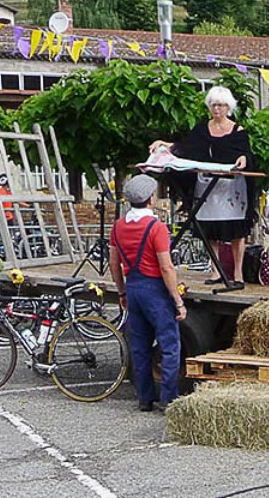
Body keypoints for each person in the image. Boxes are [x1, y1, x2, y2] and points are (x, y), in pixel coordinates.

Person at [149, 86, 257, 291]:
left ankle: (237, 273)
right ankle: (215, 270)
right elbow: (186, 148)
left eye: (221, 105)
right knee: (209, 229)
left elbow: (247, 154)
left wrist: (243, 158)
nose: (217, 109)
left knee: (236, 230)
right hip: (207, 183)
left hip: (230, 187)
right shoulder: (201, 129)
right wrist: (164, 144)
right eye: (214, 105)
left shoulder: (238, 131)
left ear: (228, 107)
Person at [109, 174, 186, 412]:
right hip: (154, 289)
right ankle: (169, 397)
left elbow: (114, 263)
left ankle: (145, 398)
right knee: (170, 344)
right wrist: (178, 301)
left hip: (132, 286)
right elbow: (166, 267)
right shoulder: (156, 227)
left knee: (140, 346)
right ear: (151, 199)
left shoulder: (118, 226)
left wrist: (121, 292)